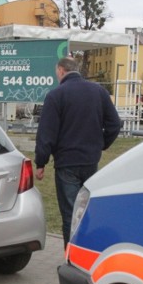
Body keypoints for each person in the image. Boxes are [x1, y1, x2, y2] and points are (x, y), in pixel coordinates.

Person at [34, 56, 121, 246]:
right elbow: (115, 124)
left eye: (56, 72)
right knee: (87, 211)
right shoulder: (99, 92)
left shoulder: (56, 95)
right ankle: (88, 253)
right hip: (91, 161)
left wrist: (41, 162)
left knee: (70, 215)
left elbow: (46, 133)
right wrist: (101, 144)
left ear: (61, 71)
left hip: (66, 164)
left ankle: (72, 257)